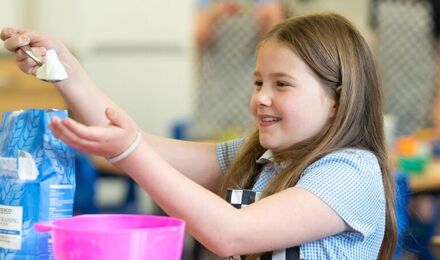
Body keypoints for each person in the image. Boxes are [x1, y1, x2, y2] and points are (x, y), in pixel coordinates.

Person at [1, 13, 397, 259]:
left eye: (282, 84)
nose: (261, 97)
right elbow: (129, 142)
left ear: (336, 99)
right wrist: (66, 71)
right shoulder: (263, 158)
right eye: (258, 81)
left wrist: (131, 150)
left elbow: (232, 233)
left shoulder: (351, 171)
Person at [190, 0, 285, 140]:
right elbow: (198, 40)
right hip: (214, 82)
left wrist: (265, 20)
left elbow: (277, 45)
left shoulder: (267, 3)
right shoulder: (206, 3)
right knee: (208, 138)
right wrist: (214, 14)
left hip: (251, 81)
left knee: (250, 137)